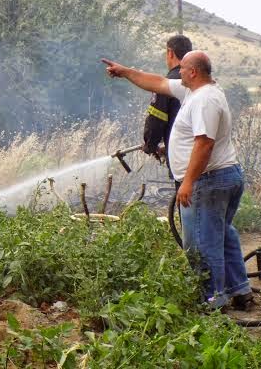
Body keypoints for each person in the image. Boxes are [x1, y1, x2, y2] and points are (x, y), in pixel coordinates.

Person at [102, 51, 252, 310]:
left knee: (202, 244)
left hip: (208, 181)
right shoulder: (194, 92)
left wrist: (187, 182)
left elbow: (204, 144)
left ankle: (213, 301)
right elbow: (158, 82)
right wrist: (125, 71)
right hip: (221, 177)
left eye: (182, 68)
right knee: (222, 234)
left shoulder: (204, 100)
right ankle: (240, 291)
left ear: (193, 72)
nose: (177, 72)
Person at [143, 35, 192, 179]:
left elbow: (156, 120)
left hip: (182, 161)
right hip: (203, 158)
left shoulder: (167, 84)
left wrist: (150, 145)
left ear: (170, 53)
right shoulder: (198, 81)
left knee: (187, 199)